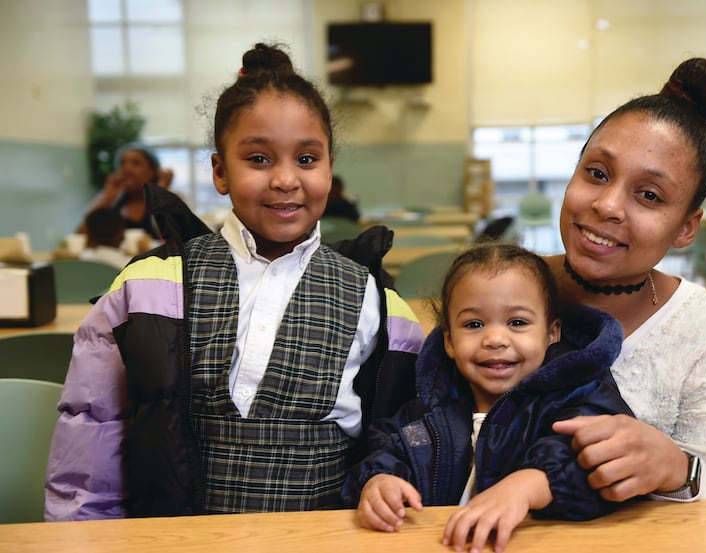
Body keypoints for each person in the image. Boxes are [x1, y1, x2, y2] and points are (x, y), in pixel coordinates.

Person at [45, 42, 424, 520]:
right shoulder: (148, 288)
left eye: (307, 159)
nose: (286, 179)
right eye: (259, 159)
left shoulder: (380, 306)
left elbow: (401, 437)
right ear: (220, 171)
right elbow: (93, 429)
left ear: (331, 169)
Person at [543, 57, 706, 502]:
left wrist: (676, 468)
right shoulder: (497, 288)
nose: (607, 205)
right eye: (597, 173)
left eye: (649, 195)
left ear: (686, 227)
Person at [343, 243, 633, 553]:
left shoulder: (577, 398)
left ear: (552, 333)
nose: (495, 339)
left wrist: (529, 486)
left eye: (517, 323)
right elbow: (386, 451)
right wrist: (378, 482)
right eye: (474, 325)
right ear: (450, 341)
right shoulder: (423, 413)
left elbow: (601, 465)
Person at [77, 142, 174, 240]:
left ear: (152, 172)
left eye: (135, 163)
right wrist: (107, 199)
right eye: (122, 163)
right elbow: (80, 235)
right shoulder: (111, 198)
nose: (126, 168)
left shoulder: (171, 198)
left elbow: (181, 239)